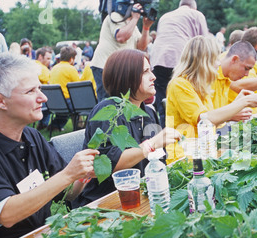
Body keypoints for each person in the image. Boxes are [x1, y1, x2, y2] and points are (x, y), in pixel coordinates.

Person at [0, 53, 99, 238]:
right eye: (31, 91)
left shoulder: (31, 135)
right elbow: (6, 215)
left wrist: (83, 176)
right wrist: (68, 174)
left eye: (39, 88)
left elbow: (65, 193)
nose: (43, 97)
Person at [73, 49, 181, 209]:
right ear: (126, 77)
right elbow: (110, 164)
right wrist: (152, 144)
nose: (153, 77)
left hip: (143, 195)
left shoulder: (149, 112)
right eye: (145, 72)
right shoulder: (109, 111)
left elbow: (158, 161)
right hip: (105, 204)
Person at [165, 36, 257, 163]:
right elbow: (205, 119)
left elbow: (213, 118)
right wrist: (243, 102)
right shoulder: (179, 84)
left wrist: (236, 104)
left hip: (203, 154)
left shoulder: (202, 86)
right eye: (215, 59)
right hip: (184, 159)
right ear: (204, 61)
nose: (219, 63)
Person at [150, 0, 208, 129]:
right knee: (185, 97)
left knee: (164, 102)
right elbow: (205, 42)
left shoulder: (165, 16)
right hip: (180, 58)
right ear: (194, 7)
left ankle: (165, 136)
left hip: (158, 59)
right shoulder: (196, 14)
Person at [90, 2, 154, 102]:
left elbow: (141, 46)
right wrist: (135, 19)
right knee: (109, 102)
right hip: (105, 66)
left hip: (120, 68)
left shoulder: (131, 23)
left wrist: (146, 27)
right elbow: (121, 37)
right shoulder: (115, 16)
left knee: (123, 101)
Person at [48, 46, 80, 131]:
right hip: (66, 102)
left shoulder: (54, 68)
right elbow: (78, 86)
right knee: (79, 104)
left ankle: (54, 126)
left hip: (52, 102)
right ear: (71, 59)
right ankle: (80, 127)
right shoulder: (71, 69)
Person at [34, 47, 53, 130]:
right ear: (40, 57)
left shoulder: (32, 64)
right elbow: (50, 82)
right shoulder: (41, 68)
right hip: (42, 99)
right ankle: (47, 124)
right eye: (47, 58)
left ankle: (43, 124)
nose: (50, 61)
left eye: (50, 59)